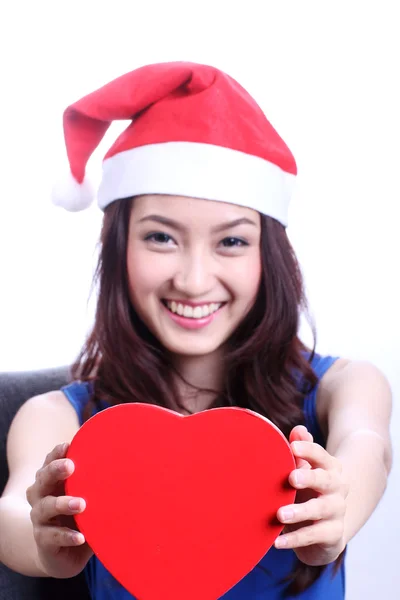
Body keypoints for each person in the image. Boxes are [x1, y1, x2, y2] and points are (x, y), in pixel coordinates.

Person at [0, 62, 392, 599]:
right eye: (161, 238)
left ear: (268, 256)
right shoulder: (56, 415)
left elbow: (367, 446)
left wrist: (337, 511)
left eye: (231, 241)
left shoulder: (344, 386)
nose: (193, 279)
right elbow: (13, 512)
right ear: (118, 249)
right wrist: (46, 542)